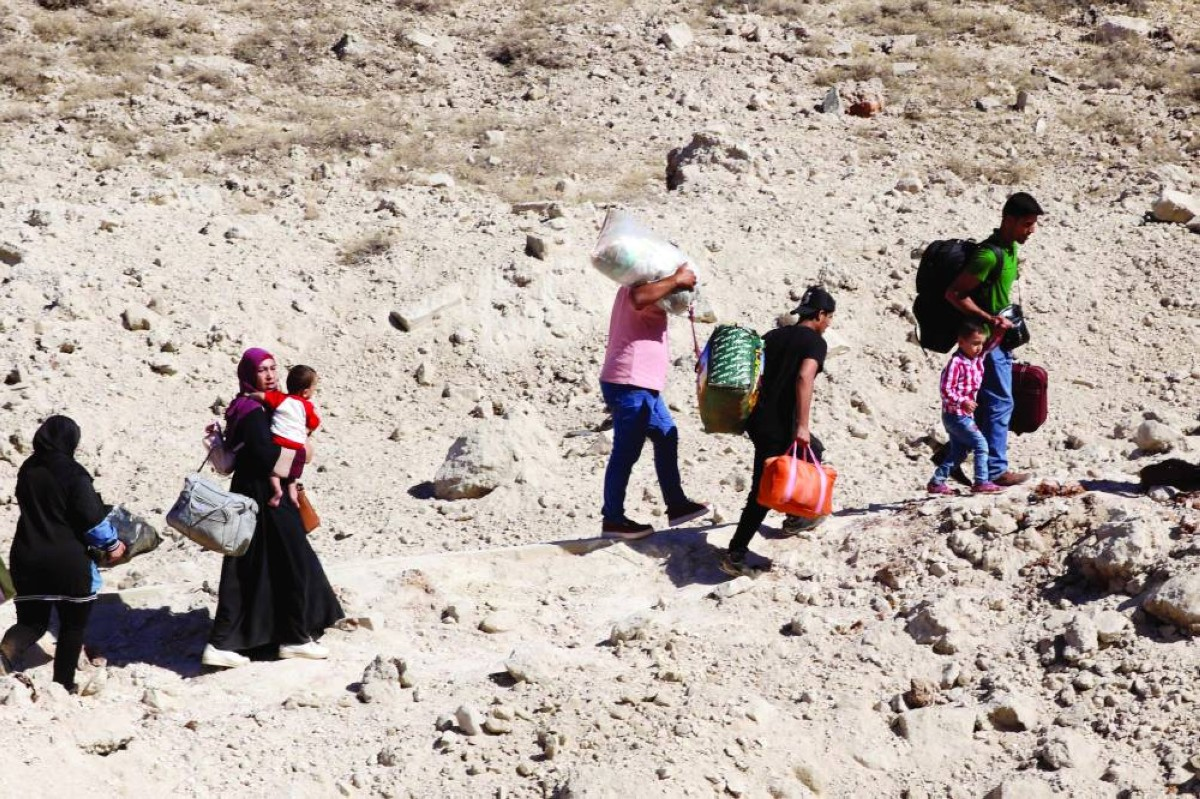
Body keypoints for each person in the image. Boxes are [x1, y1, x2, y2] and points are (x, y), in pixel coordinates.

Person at [202, 348, 343, 669]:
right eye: (262, 370)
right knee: (290, 561)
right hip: (266, 497)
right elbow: (265, 456)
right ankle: (291, 638)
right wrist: (299, 457)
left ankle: (235, 640)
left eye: (273, 368)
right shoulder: (252, 410)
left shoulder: (252, 405)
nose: (269, 375)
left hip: (256, 494)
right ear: (249, 375)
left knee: (254, 567)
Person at [0, 416, 127, 691]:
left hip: (26, 558)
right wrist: (113, 546)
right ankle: (63, 685)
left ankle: (4, 656)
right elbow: (91, 519)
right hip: (68, 563)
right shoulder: (73, 473)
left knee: (31, 623)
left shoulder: (27, 469)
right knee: (72, 626)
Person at [721, 286, 835, 577]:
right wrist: (802, 425)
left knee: (814, 452)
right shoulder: (815, 343)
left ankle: (796, 516)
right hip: (781, 425)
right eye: (829, 318)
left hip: (758, 420)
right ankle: (735, 553)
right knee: (763, 489)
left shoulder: (773, 336)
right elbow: (803, 376)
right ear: (821, 315)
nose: (829, 324)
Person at [599, 264, 710, 540]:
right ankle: (613, 520)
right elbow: (639, 298)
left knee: (665, 435)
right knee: (626, 451)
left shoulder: (650, 289)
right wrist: (677, 279)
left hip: (642, 384)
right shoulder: (639, 287)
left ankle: (677, 505)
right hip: (629, 382)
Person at [944, 191, 1044, 487]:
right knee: (1000, 402)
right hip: (987, 340)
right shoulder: (988, 255)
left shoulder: (1011, 248)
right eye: (1026, 224)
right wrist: (990, 320)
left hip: (1000, 339)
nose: (1032, 230)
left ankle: (951, 459)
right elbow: (954, 294)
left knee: (987, 403)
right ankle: (995, 470)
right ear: (1008, 220)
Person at [927, 319, 1006, 496]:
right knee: (981, 444)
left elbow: (990, 346)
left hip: (964, 416)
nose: (979, 347)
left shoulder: (977, 359)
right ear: (961, 342)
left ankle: (936, 482)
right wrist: (962, 401)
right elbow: (945, 389)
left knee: (958, 452)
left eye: (981, 344)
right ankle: (981, 481)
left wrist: (999, 332)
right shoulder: (956, 363)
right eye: (974, 343)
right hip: (956, 415)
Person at [249, 364, 321, 509]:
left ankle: (277, 492)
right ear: (306, 392)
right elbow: (315, 421)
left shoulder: (279, 398)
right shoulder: (307, 406)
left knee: (274, 474)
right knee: (291, 478)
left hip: (280, 443)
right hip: (298, 447)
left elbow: (262, 396)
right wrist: (306, 430)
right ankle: (294, 497)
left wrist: (249, 395)